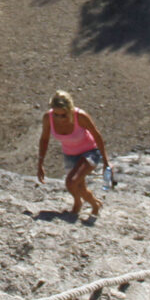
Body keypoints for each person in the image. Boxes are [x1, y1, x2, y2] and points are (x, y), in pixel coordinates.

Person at [36, 92, 108, 221]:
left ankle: (83, 205)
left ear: (70, 109)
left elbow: (97, 136)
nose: (59, 118)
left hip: (90, 152)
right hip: (70, 155)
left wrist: (106, 162)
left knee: (71, 182)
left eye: (63, 115)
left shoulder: (80, 116)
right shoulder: (48, 118)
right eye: (56, 114)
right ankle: (91, 204)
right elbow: (44, 139)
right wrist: (40, 163)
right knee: (79, 187)